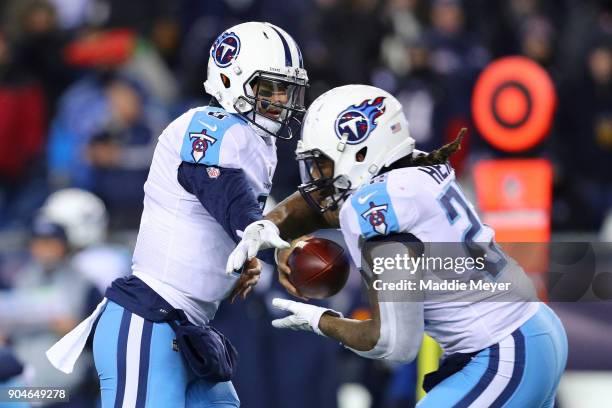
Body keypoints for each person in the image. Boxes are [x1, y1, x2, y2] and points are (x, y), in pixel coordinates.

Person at [230, 85, 568, 407]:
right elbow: (318, 204)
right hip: (530, 331)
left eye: (323, 162)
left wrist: (321, 321)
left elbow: (394, 342)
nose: (317, 175)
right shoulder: (416, 169)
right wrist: (268, 229)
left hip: (503, 350)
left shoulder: (373, 206)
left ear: (360, 151)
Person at [47, 21, 308, 407]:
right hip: (149, 322)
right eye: (266, 87)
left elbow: (208, 214)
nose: (279, 99)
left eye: (284, 88)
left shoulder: (254, 141)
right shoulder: (206, 123)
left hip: (190, 330)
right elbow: (211, 182)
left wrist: (240, 255)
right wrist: (249, 227)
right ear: (230, 79)